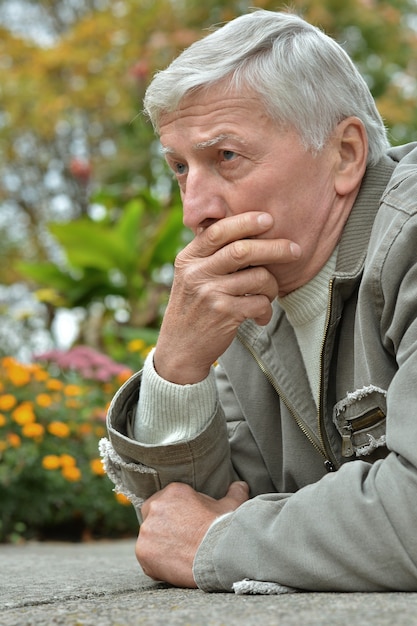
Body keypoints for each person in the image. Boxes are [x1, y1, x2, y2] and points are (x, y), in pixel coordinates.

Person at [100, 9, 417, 593]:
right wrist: (178, 367)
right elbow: (181, 519)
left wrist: (225, 543)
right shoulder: (251, 295)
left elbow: (205, 534)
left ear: (345, 154)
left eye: (225, 157)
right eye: (178, 167)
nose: (195, 210)